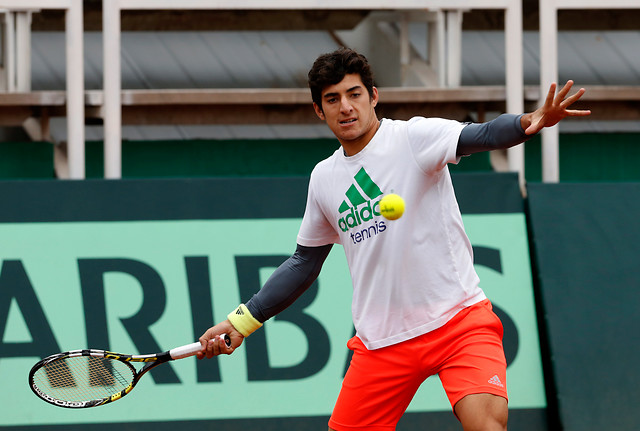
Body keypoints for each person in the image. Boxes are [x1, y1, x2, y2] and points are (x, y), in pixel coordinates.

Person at [197, 47, 590, 430]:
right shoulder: (324, 179)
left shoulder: (414, 137)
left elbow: (483, 134)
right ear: (319, 110)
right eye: (332, 100)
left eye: (354, 95)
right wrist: (242, 322)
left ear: (373, 96)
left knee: (487, 424)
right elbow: (303, 263)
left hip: (458, 322)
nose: (345, 107)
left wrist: (529, 120)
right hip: (381, 343)